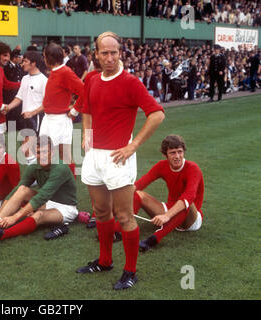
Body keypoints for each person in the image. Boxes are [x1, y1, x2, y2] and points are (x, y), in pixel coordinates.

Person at [78, 31, 165, 290]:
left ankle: (130, 271)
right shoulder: (92, 79)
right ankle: (105, 261)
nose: (109, 57)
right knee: (102, 212)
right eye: (104, 52)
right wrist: (86, 134)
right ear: (96, 54)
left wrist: (133, 145)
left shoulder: (130, 82)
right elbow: (86, 109)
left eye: (114, 52)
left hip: (119, 157)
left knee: (125, 216)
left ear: (120, 53)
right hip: (94, 157)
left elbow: (157, 114)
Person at [0, 135, 78, 242]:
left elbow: (42, 196)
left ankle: (2, 234)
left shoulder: (60, 168)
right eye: (38, 152)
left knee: (38, 215)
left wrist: (15, 217)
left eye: (46, 152)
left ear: (53, 152)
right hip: (47, 201)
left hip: (65, 208)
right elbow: (16, 190)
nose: (42, 156)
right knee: (22, 189)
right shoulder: (34, 167)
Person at [133, 135, 204, 252]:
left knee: (187, 201)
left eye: (180, 152)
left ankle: (154, 239)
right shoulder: (162, 166)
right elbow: (139, 184)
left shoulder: (193, 168)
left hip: (191, 219)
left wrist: (166, 216)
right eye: (172, 153)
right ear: (165, 155)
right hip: (170, 212)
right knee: (138, 194)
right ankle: (121, 229)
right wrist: (117, 195)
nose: (177, 156)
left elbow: (189, 196)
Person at [22, 43, 84, 177]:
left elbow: (85, 91)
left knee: (62, 156)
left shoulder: (65, 72)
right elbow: (50, 101)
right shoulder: (55, 72)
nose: (43, 59)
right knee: (47, 156)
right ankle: (48, 183)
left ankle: (68, 187)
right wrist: (33, 112)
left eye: (44, 56)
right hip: (48, 119)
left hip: (60, 120)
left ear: (49, 58)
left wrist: (74, 110)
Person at [4, 51, 48, 165]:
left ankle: (36, 176)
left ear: (33, 63)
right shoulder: (25, 79)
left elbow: (47, 103)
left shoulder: (43, 80)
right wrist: (8, 107)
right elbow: (19, 97)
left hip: (36, 117)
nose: (22, 63)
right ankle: (36, 175)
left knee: (27, 148)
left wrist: (32, 113)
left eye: (25, 61)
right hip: (25, 118)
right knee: (28, 149)